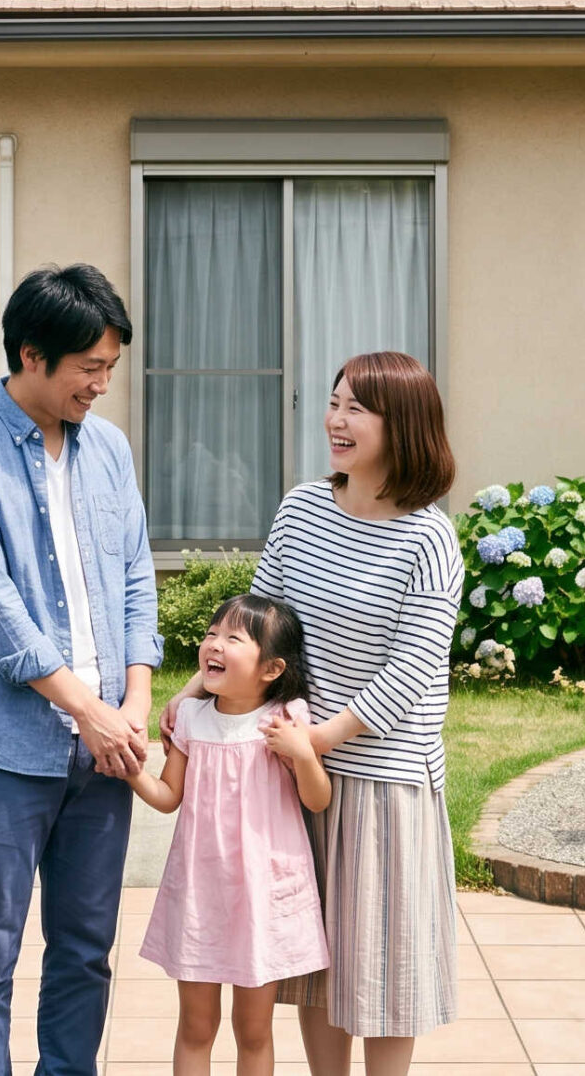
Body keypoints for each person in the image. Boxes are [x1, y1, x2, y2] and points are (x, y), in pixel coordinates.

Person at [165, 350, 463, 1076]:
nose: (335, 419)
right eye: (334, 402)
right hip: (294, 776)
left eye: (356, 408)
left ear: (404, 425)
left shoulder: (429, 538)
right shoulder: (301, 509)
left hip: (384, 777)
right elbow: (260, 623)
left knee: (384, 971)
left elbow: (414, 669)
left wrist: (315, 740)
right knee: (316, 966)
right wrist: (195, 692)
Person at [0, 264, 164, 1076]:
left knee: (86, 950)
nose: (101, 384)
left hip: (106, 750)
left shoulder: (110, 450)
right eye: (89, 367)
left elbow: (136, 575)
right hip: (2, 749)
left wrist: (133, 699)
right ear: (31, 354)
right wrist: (89, 710)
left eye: (110, 367)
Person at [131, 594, 332, 1076]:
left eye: (233, 638)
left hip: (262, 897)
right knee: (196, 1027)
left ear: (272, 668)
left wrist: (302, 753)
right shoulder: (192, 718)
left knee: (254, 1031)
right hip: (200, 896)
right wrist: (130, 770)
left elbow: (317, 799)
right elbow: (168, 795)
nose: (214, 645)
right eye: (211, 634)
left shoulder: (285, 719)